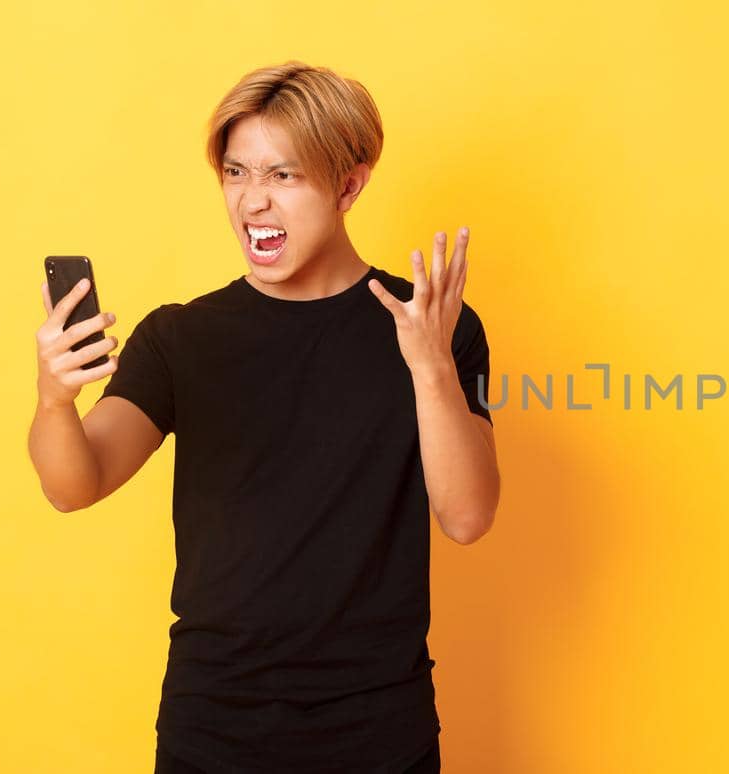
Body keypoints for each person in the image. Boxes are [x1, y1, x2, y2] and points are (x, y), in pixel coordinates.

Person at [26, 61, 501, 773]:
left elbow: (467, 517)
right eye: (237, 173)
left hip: (380, 730)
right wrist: (55, 400)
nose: (254, 203)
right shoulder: (181, 338)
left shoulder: (436, 327)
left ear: (349, 183)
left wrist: (430, 365)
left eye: (284, 176)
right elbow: (75, 483)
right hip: (213, 729)